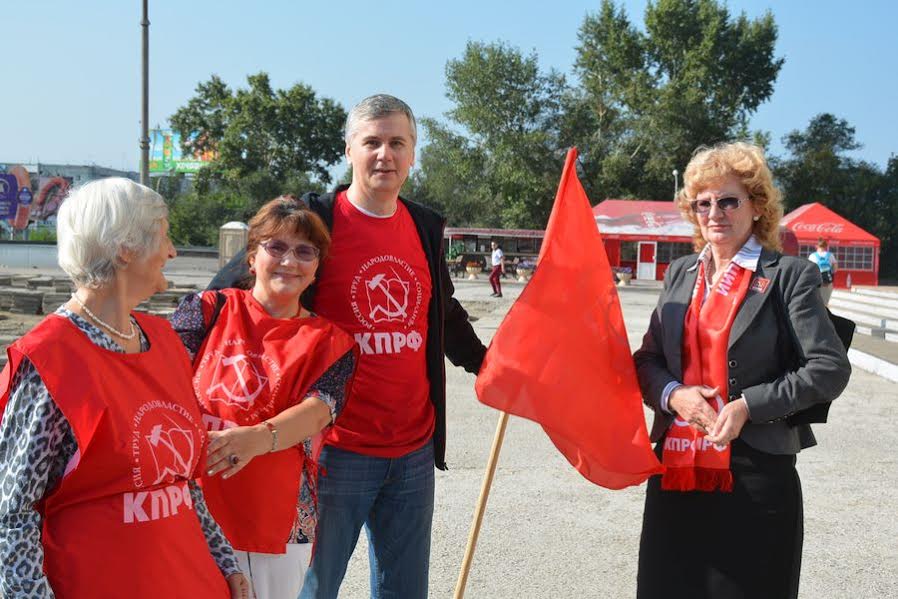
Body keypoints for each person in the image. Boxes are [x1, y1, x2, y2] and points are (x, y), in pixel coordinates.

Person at [209, 94, 487, 599]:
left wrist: (486, 365)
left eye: (397, 143)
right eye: (372, 142)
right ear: (349, 150)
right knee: (313, 589)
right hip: (331, 448)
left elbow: (442, 311)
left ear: (413, 153)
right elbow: (226, 296)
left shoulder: (424, 226)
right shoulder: (317, 221)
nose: (385, 154)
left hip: (413, 449)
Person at [0, 178, 249, 598]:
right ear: (125, 249)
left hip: (189, 580)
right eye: (164, 236)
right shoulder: (50, 357)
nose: (173, 251)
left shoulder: (164, 340)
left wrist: (225, 561)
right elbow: (12, 511)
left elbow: (183, 481)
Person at [633, 142, 851, 599]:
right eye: (703, 203)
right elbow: (647, 360)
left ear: (757, 206)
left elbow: (829, 368)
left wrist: (748, 406)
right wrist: (674, 394)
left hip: (756, 474)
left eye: (728, 201)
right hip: (676, 469)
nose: (715, 213)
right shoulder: (679, 273)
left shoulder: (789, 275)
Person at [171, 196, 358, 599]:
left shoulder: (332, 343)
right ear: (253, 257)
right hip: (190, 508)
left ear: (316, 270)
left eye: (305, 252)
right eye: (277, 247)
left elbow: (317, 412)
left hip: (276, 522)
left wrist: (256, 439)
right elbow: (161, 380)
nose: (289, 261)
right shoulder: (205, 310)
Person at [809, 238, 837, 305]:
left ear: (816, 246)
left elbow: (809, 269)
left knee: (816, 300)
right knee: (826, 300)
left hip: (816, 281)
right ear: (826, 246)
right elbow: (835, 268)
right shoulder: (830, 255)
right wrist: (831, 274)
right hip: (828, 281)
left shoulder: (812, 256)